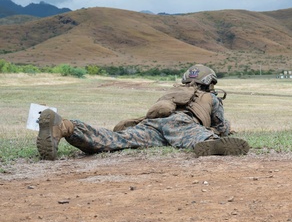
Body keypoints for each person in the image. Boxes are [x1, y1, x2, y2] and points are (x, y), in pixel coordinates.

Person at [36, 64, 250, 160]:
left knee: (115, 140)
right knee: (198, 136)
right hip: (182, 123)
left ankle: (65, 126)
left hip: (151, 125)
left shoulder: (173, 92)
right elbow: (221, 126)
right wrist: (223, 132)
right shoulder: (210, 97)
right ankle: (211, 145)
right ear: (209, 82)